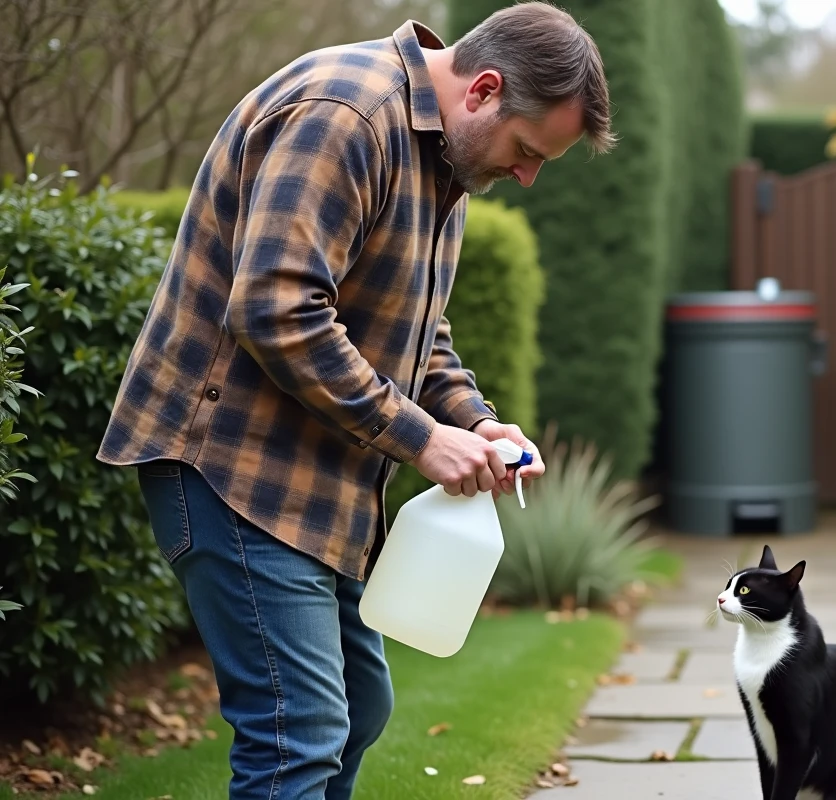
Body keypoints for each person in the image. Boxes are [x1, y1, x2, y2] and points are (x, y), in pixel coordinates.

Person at [96, 3, 614, 798]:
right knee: (296, 735)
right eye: (527, 150)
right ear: (482, 90)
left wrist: (473, 420)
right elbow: (275, 309)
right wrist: (419, 438)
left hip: (311, 484)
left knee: (359, 708)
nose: (528, 175)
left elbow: (417, 332)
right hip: (231, 466)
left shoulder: (445, 165)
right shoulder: (347, 115)